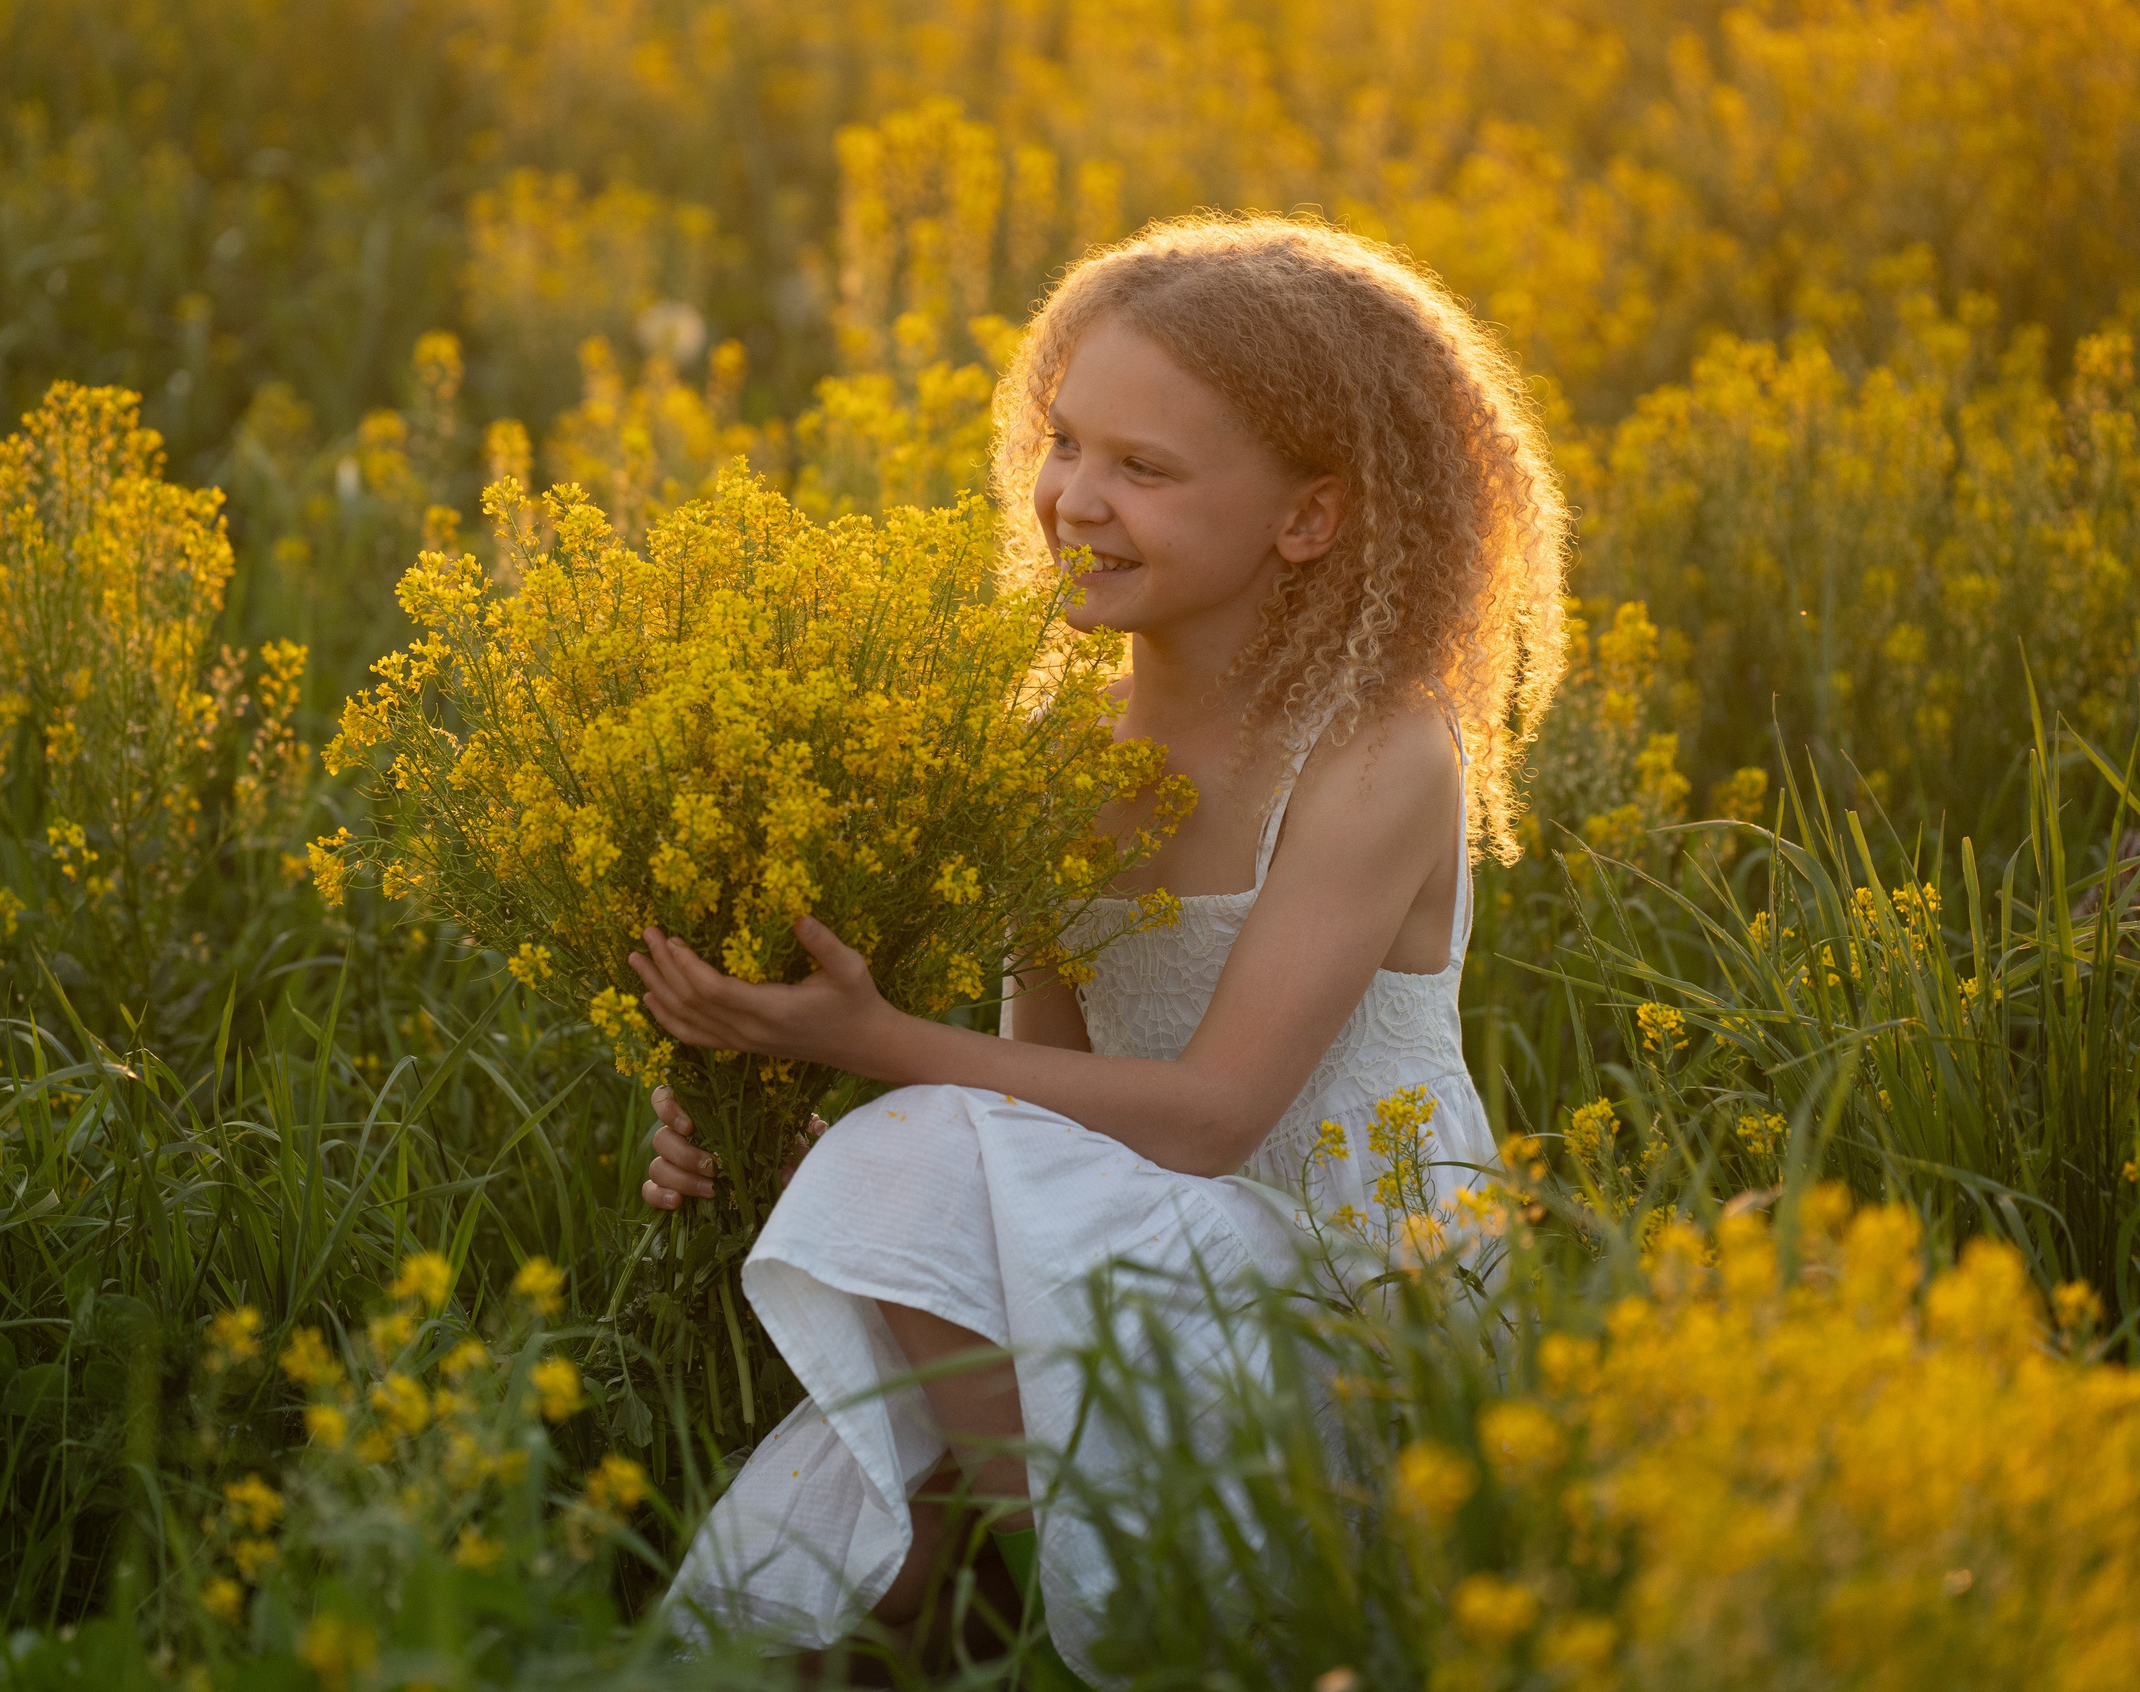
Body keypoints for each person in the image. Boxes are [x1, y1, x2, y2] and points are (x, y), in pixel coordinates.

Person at [631, 214, 1568, 1684]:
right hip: (1150, 1261)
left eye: (1145, 468)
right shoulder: (1057, 745)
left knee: (911, 1178)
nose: (1073, 497)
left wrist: (865, 1052)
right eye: (1065, 443)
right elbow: (1034, 1101)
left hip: (1353, 1307)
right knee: (841, 1498)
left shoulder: (1379, 751)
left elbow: (1210, 1118)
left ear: (1307, 520)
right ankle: (982, 1626)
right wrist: (779, 1123)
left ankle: (1104, 1644)